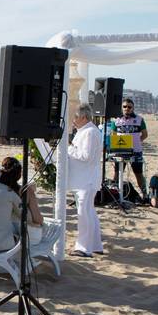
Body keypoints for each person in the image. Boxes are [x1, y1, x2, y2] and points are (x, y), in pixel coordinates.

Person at [68, 103, 104, 257]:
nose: (73, 120)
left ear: (83, 117)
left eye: (75, 117)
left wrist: (69, 148)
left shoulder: (90, 132)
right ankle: (95, 244)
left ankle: (83, 247)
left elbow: (86, 156)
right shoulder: (84, 131)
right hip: (83, 178)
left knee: (84, 212)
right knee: (89, 211)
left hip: (86, 179)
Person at [110, 98, 148, 200]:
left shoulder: (139, 119)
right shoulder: (116, 120)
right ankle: (115, 194)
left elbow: (145, 134)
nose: (127, 109)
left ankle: (145, 194)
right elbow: (113, 135)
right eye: (125, 107)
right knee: (117, 173)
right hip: (120, 151)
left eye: (129, 107)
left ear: (133, 108)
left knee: (138, 174)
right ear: (122, 108)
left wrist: (136, 142)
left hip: (136, 152)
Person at [0, 156, 44, 234]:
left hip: (3, 233)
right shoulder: (26, 191)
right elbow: (37, 219)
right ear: (19, 175)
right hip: (25, 234)